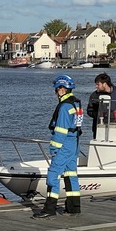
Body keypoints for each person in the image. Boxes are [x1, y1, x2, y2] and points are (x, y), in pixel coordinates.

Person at [33, 74, 83, 219]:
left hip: (65, 144)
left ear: (61, 90)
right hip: (74, 143)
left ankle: (49, 209)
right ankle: (74, 207)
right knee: (71, 174)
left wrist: (54, 149)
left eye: (57, 90)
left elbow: (60, 130)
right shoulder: (77, 103)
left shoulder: (64, 107)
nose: (56, 92)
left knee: (53, 175)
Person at [86, 73, 116, 137]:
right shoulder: (94, 95)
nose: (96, 86)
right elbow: (89, 110)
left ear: (104, 84)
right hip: (98, 128)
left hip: (115, 126)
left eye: (98, 84)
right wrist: (98, 114)